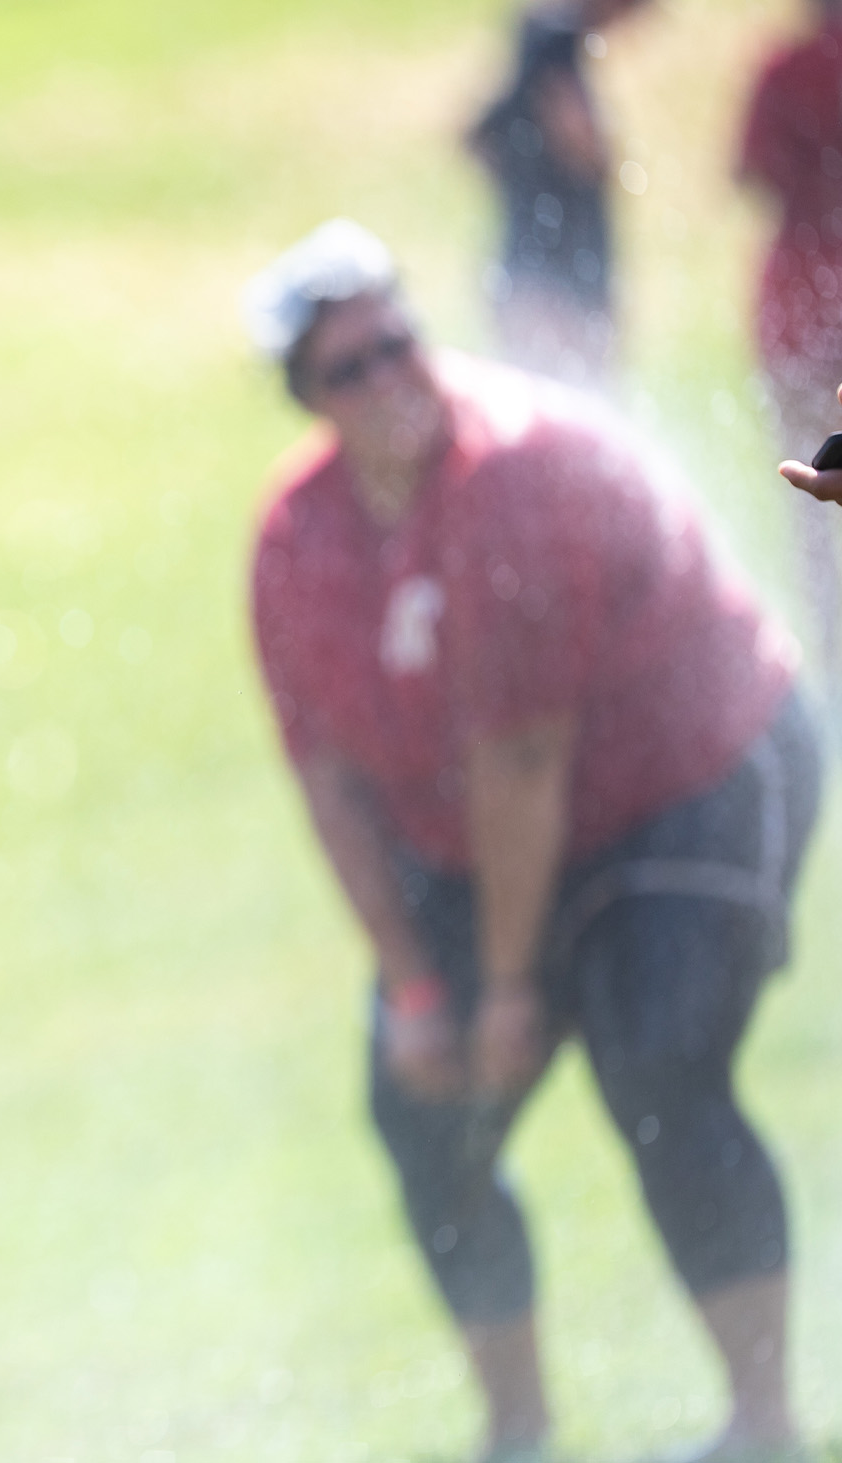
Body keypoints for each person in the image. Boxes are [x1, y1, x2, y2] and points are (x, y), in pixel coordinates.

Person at [245, 221, 815, 1463]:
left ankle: (763, 1423)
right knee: (420, 1107)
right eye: (349, 367)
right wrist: (412, 983)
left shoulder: (511, 476)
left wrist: (505, 991)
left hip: (694, 777)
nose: (387, 373)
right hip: (488, 833)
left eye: (397, 339)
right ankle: (516, 1429)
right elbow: (328, 783)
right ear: (306, 398)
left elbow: (520, 761)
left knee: (657, 1060)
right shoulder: (291, 542)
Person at [740, 0, 842, 704]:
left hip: (802, 309)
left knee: (812, 521)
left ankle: (834, 664)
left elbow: (751, 175)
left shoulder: (786, 69)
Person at [466, 0, 651, 387]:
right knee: (572, 401)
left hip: (531, 262)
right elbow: (583, 146)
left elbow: (478, 138)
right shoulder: (556, 36)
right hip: (555, 272)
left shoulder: (540, 37)